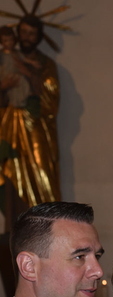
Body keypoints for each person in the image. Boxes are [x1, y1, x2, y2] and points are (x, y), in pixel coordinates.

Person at [0, 14, 61, 215]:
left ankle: (47, 221)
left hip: (36, 127)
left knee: (42, 171)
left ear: (39, 37)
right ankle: (14, 224)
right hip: (8, 127)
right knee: (10, 174)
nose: (27, 37)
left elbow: (51, 98)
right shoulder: (6, 58)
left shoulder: (46, 64)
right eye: (24, 32)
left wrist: (29, 74)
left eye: (32, 34)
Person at [0, 25, 32, 108]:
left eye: (11, 40)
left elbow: (24, 59)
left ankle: (19, 103)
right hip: (5, 76)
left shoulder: (16, 53)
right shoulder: (1, 54)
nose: (9, 43)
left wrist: (33, 63)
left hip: (15, 74)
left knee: (21, 85)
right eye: (5, 41)